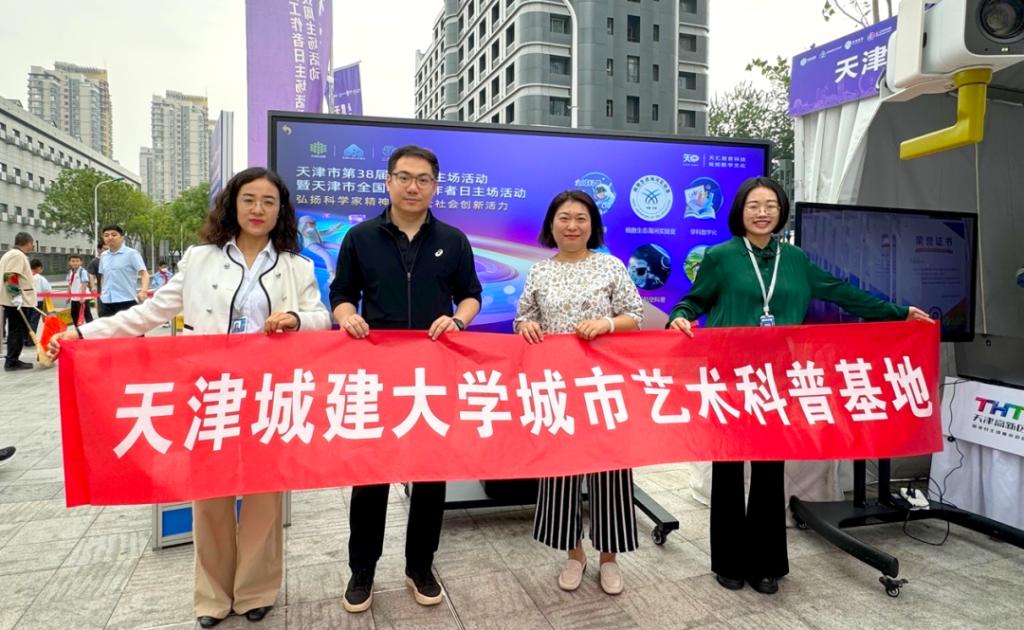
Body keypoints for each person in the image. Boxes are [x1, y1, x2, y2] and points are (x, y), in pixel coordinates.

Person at [48, 167, 331, 627]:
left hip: (268, 394)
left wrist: (297, 319)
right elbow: (149, 313)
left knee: (264, 496)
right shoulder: (200, 259)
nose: (258, 209)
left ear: (281, 211)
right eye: (249, 199)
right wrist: (82, 334)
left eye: (269, 202)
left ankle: (256, 590)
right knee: (210, 496)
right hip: (210, 393)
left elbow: (321, 318)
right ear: (232, 205)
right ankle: (211, 597)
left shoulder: (294, 265)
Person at [667, 176, 932, 595]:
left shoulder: (796, 260)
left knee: (770, 471)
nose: (762, 213)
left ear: (781, 212)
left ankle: (767, 563)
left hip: (778, 380)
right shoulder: (721, 257)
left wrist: (897, 313)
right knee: (728, 470)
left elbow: (842, 292)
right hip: (729, 378)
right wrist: (680, 314)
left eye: (770, 205)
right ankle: (729, 561)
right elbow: (694, 299)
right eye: (754, 205)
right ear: (740, 211)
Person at [329, 144, 482, 613]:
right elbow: (341, 293)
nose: (413, 186)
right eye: (404, 177)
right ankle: (362, 569)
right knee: (370, 474)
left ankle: (420, 566)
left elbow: (471, 295)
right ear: (388, 181)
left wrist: (458, 320)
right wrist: (347, 316)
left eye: (423, 179)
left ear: (435, 186)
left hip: (433, 373)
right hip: (376, 373)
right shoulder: (360, 237)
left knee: (430, 475)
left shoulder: (453, 240)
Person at [514, 190, 644, 596]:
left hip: (603, 386)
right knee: (560, 472)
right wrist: (525, 326)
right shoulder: (539, 271)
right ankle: (574, 554)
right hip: (556, 387)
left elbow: (635, 315)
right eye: (564, 218)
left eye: (581, 218)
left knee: (610, 472)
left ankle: (609, 558)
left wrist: (607, 324)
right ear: (551, 225)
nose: (572, 226)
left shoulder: (610, 266)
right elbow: (523, 318)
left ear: (593, 226)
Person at [1, 232, 37, 371]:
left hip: (12, 299)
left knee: (15, 329)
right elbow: (10, 275)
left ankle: (12, 359)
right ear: (28, 243)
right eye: (32, 244)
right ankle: (12, 361)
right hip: (16, 300)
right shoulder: (18, 255)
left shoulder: (9, 254)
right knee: (17, 330)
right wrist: (15, 295)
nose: (32, 246)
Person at [97, 224, 149, 317]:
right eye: (106, 235)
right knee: (105, 326)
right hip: (106, 302)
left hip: (126, 301)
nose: (110, 237)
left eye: (114, 235)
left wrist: (143, 291)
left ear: (122, 238)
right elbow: (103, 276)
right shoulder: (104, 256)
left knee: (131, 327)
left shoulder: (131, 254)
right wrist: (102, 293)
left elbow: (144, 273)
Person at [67, 254, 93, 325]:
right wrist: (69, 296)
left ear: (81, 262)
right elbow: (70, 284)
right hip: (74, 298)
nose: (75, 263)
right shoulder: (70, 272)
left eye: (77, 261)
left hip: (83, 298)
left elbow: (84, 284)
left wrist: (82, 297)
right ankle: (78, 330)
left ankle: (92, 330)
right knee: (74, 314)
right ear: (69, 262)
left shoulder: (82, 271)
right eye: (73, 261)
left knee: (87, 315)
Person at [27, 259, 52, 332]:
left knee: (27, 320)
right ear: (39, 268)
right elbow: (48, 289)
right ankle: (31, 338)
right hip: (38, 302)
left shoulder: (26, 276)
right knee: (34, 321)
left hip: (26, 302)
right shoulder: (40, 278)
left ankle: (26, 337)